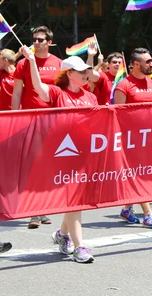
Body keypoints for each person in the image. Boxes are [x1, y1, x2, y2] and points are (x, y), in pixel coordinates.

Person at [23, 46, 97, 263]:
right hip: (62, 153)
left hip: (85, 153)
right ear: (69, 74)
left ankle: (62, 235)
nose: (85, 74)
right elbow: (37, 86)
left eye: (86, 70)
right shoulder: (57, 93)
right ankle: (79, 247)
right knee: (74, 200)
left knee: (76, 200)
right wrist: (31, 61)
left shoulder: (91, 97)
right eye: (81, 71)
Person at [12, 26, 61, 228]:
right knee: (32, 164)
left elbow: (64, 91)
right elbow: (16, 93)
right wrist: (14, 118)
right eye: (34, 39)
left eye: (41, 39)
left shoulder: (58, 63)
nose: (37, 42)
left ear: (49, 42)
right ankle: (33, 210)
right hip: (30, 118)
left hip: (53, 120)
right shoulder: (23, 63)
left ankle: (43, 208)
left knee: (48, 164)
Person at [114, 48, 152, 229]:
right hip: (131, 139)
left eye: (151, 61)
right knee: (139, 175)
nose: (151, 64)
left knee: (143, 174)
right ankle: (148, 214)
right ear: (136, 64)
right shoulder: (124, 86)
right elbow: (117, 115)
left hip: (150, 138)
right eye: (147, 62)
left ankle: (127, 208)